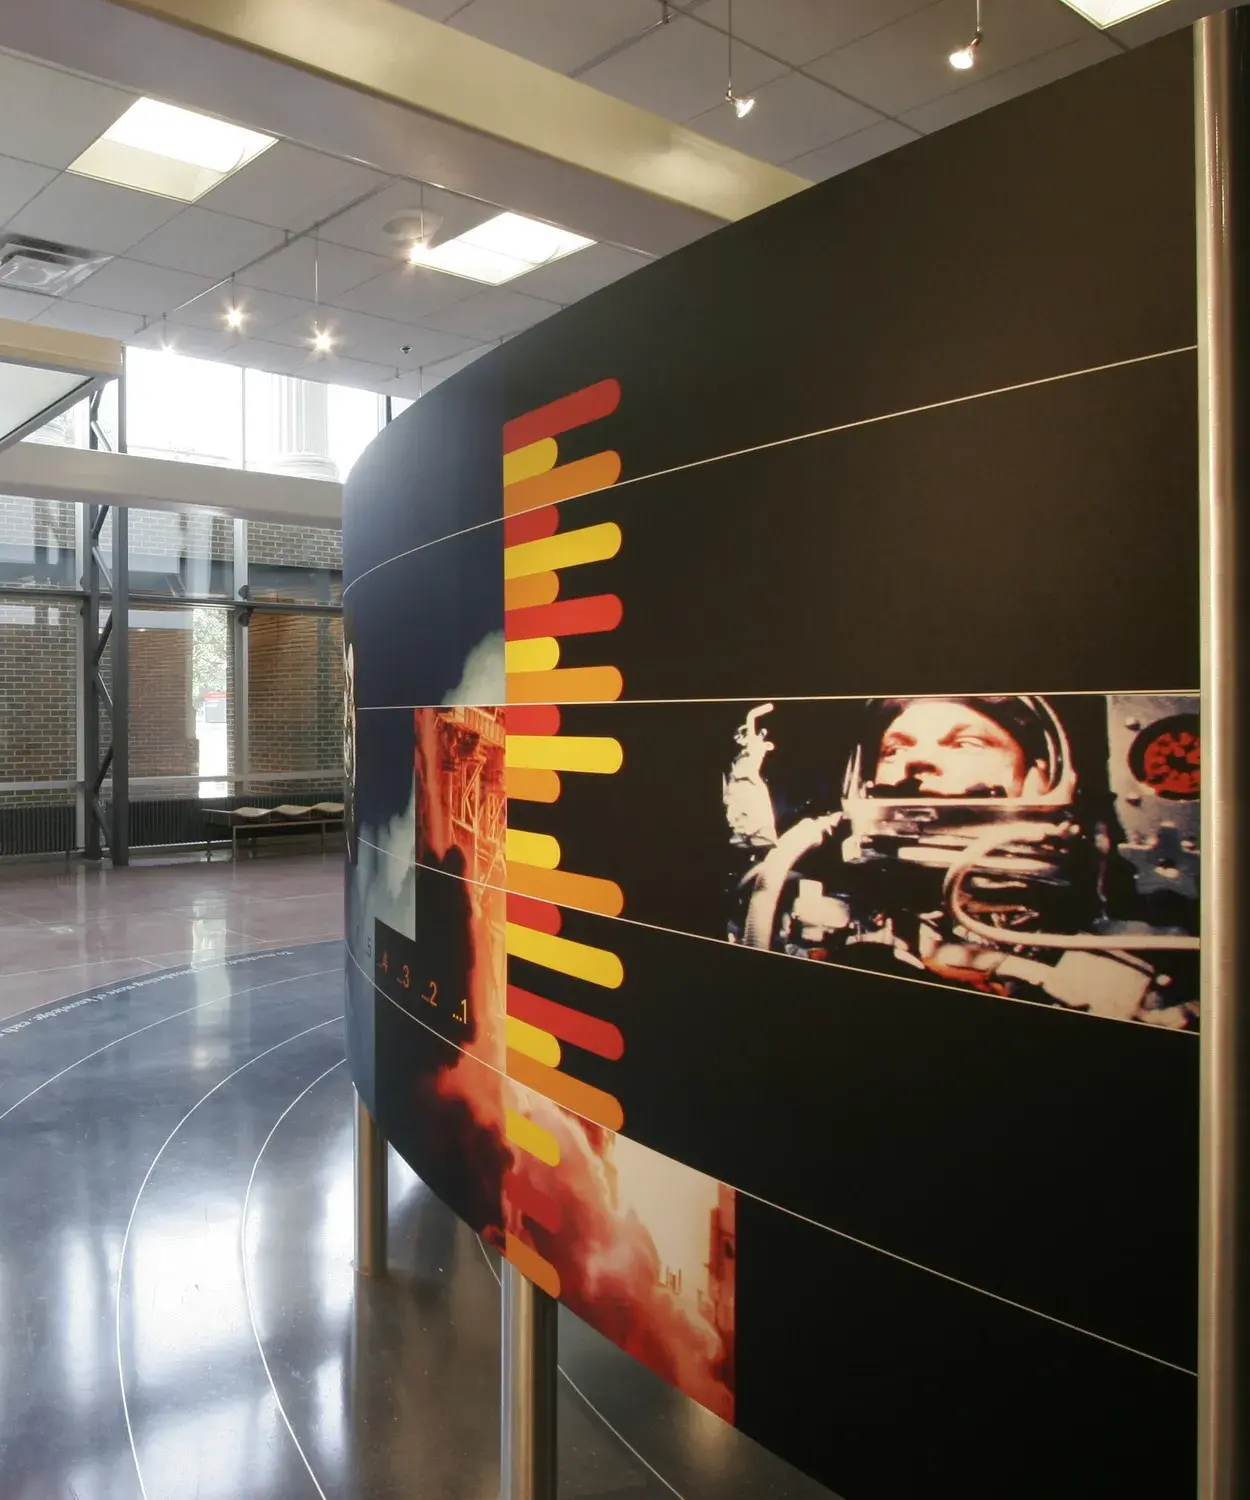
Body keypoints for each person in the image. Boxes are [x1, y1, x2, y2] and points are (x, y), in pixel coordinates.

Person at [724, 696, 1198, 1027]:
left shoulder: (1136, 968)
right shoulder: (804, 917)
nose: (916, 762)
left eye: (964, 743)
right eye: (895, 748)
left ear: (1039, 778)